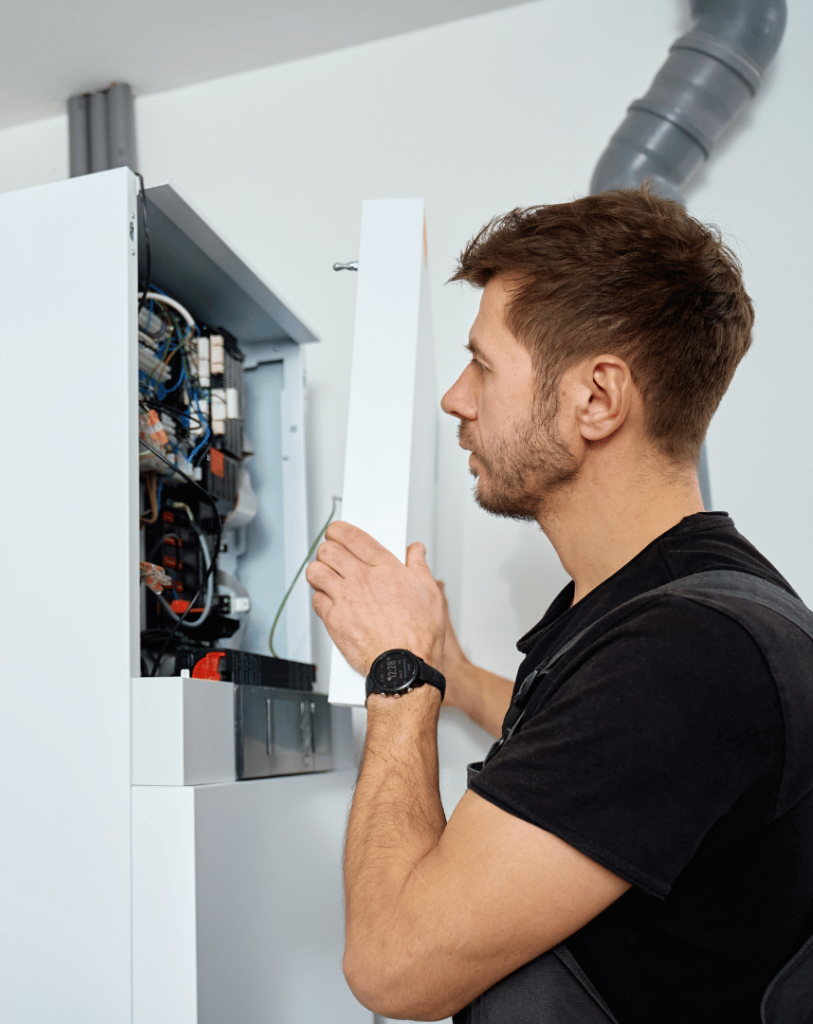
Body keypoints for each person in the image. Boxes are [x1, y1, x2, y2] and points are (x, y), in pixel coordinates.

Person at [306, 188, 813, 1024]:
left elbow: (392, 969)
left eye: (484, 364)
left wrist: (404, 675)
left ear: (597, 399)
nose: (455, 398)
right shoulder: (686, 607)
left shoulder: (680, 659)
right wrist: (461, 674)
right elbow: (593, 758)